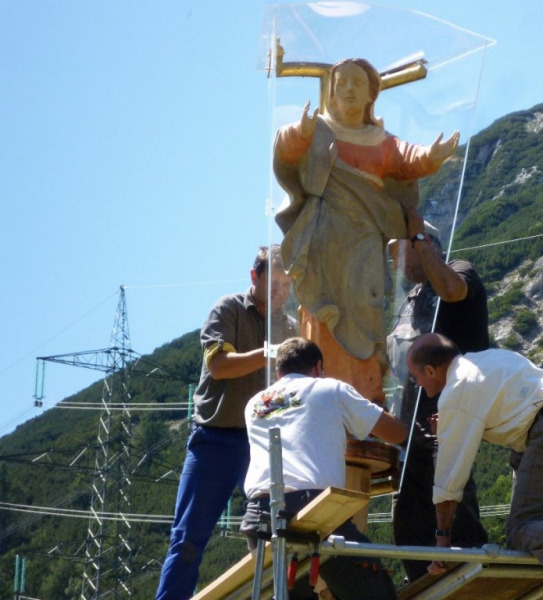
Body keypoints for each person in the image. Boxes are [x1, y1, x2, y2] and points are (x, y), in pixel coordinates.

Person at [273, 57, 459, 402]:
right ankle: (324, 401)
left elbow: (406, 158)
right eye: (341, 82)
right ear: (331, 90)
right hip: (323, 243)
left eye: (357, 82)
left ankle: (365, 404)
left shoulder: (379, 139)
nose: (348, 89)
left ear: (372, 93)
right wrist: (300, 133)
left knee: (368, 318)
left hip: (365, 247)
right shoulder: (318, 130)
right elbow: (286, 147)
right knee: (322, 316)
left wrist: (431, 156)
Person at [406, 333, 543, 600]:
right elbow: (512, 415)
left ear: (430, 369)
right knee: (518, 461)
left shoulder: (455, 391)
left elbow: (450, 479)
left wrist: (442, 540)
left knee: (521, 529)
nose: (417, 384)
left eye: (416, 377)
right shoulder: (493, 358)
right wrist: (453, 424)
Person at [155, 246, 298, 600]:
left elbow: (294, 393)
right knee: (188, 538)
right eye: (274, 282)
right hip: (215, 441)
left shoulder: (292, 327)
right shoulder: (228, 309)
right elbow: (220, 365)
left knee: (278, 533)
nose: (281, 291)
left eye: (287, 284)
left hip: (264, 445)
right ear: (255, 277)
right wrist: (269, 353)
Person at [240, 337, 408, 600]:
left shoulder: (254, 404)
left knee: (292, 593)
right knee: (372, 587)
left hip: (259, 516)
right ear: (318, 366)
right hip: (312, 510)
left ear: (278, 372)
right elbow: (395, 433)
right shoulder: (330, 388)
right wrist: (372, 409)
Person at [386, 207, 488, 582]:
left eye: (399, 251)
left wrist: (415, 236)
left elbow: (451, 290)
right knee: (408, 518)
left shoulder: (459, 270)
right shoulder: (408, 301)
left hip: (450, 417)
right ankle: (423, 584)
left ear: (425, 243)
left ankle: (470, 581)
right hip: (409, 431)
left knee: (453, 505)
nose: (394, 262)